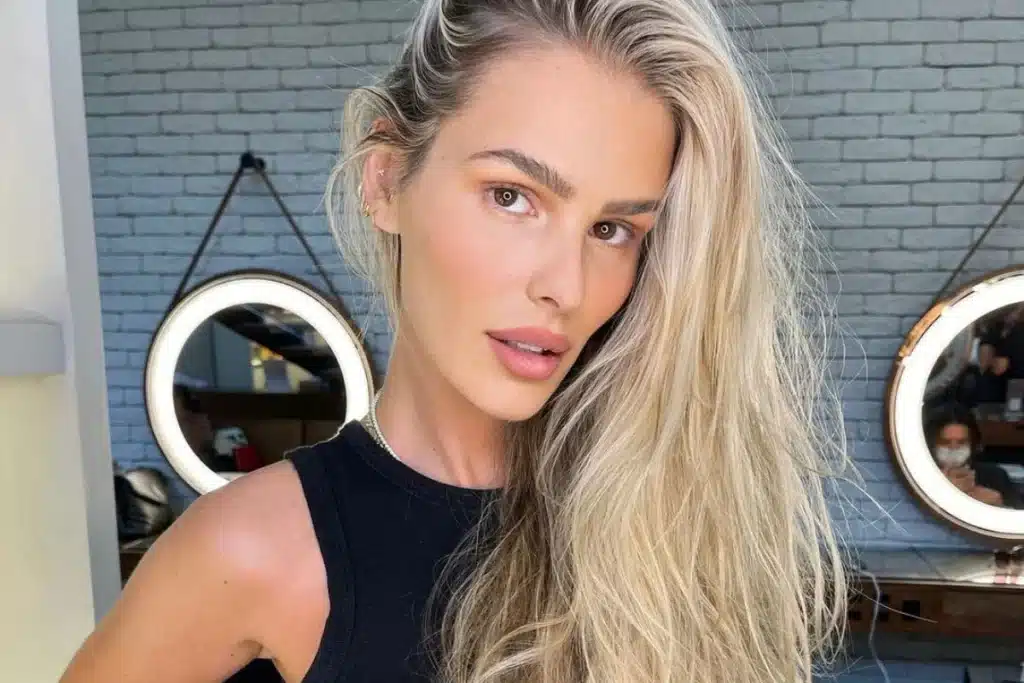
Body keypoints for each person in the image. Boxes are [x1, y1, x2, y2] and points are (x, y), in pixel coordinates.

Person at [61, 2, 851, 682]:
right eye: (512, 196)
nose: (566, 286)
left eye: (613, 229)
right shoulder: (251, 550)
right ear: (384, 180)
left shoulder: (678, 521)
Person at [925, 405, 1021, 508]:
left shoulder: (996, 477)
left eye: (961, 442)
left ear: (973, 444)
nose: (954, 448)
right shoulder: (921, 477)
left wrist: (999, 505)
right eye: (945, 442)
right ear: (931, 445)